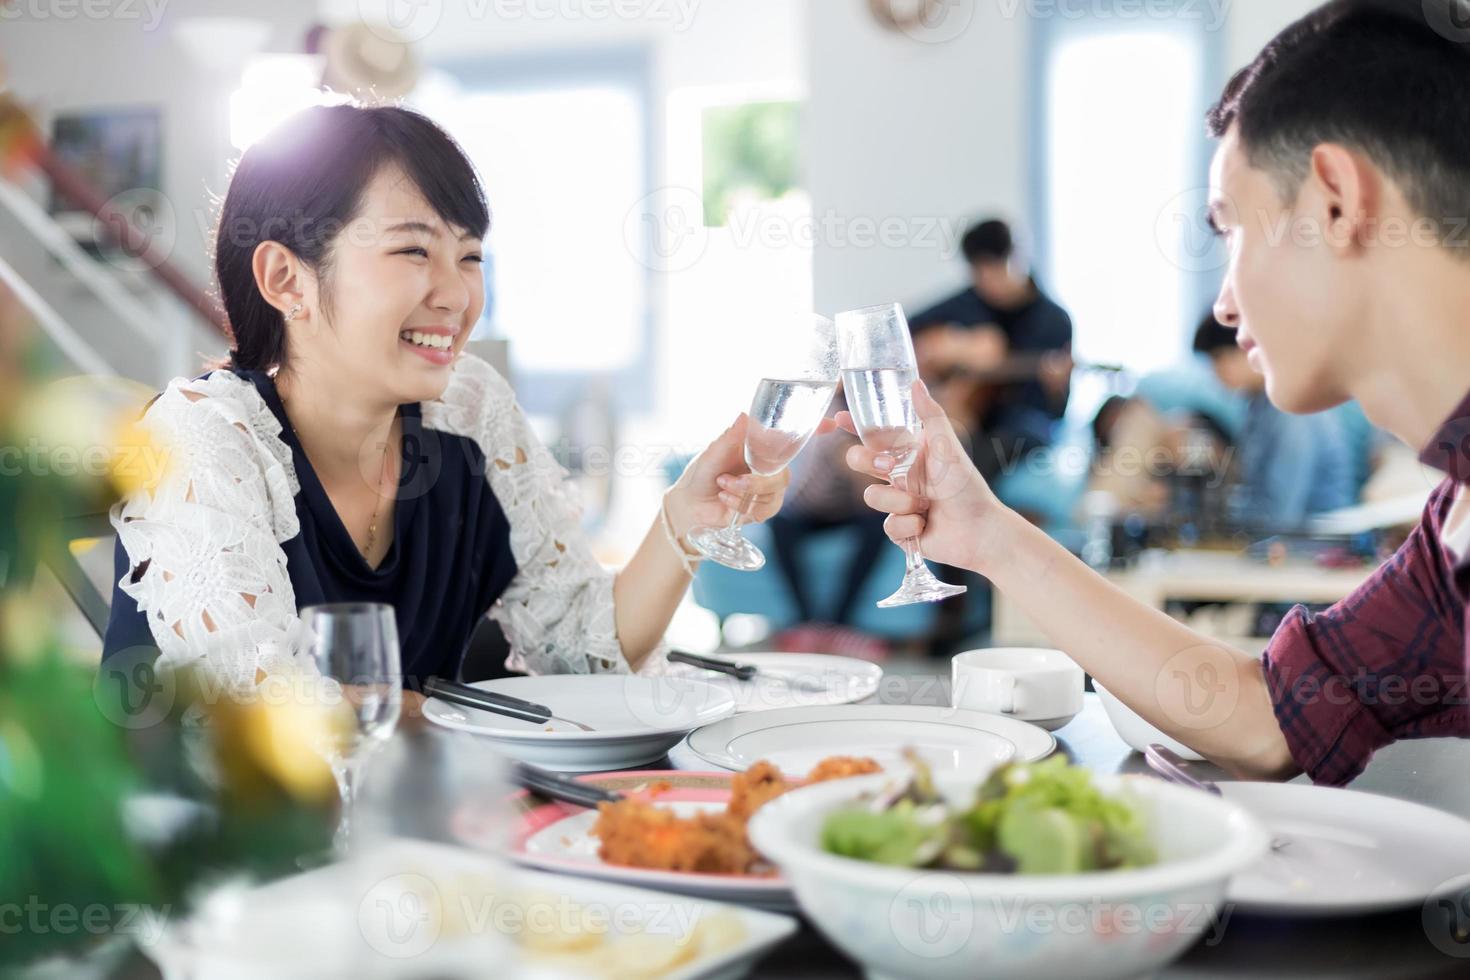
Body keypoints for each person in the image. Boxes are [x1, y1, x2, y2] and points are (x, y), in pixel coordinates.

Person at [842, 0, 1470, 786]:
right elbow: (1269, 718)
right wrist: (988, 536)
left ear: (1336, 202)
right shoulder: (1453, 532)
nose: (1224, 305)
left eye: (1231, 228)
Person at [102, 104, 807, 705]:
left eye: (470, 258)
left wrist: (684, 516)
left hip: (410, 827)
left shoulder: (466, 409)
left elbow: (585, 655)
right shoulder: (200, 436)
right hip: (212, 851)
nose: (458, 294)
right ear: (286, 279)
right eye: (414, 252)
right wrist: (466, 723)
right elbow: (268, 714)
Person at [909, 219, 1074, 482]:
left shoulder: (1054, 320)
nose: (989, 283)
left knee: (1007, 438)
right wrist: (955, 349)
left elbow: (1054, 411)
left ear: (1017, 258)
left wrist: (1056, 387)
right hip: (969, 416)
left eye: (997, 270)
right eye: (980, 274)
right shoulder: (967, 301)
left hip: (1020, 422)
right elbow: (904, 332)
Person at [1193, 312, 1357, 530]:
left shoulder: (1291, 409)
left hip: (1311, 548)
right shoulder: (1257, 405)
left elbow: (1281, 514)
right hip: (1279, 540)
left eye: (1219, 358)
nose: (1215, 372)